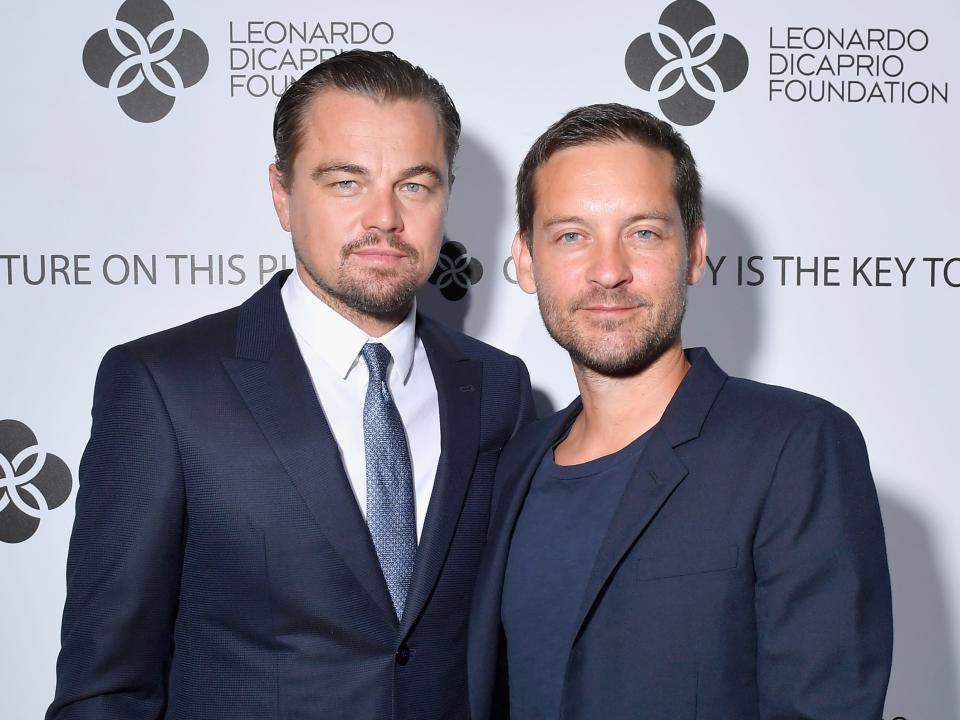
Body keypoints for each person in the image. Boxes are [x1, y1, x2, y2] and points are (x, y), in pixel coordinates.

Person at [48, 50, 534, 720]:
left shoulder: (499, 388)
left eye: (415, 186)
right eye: (345, 183)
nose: (385, 219)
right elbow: (105, 688)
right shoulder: (166, 387)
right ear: (282, 193)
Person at [467, 103, 892, 720]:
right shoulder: (514, 462)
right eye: (571, 236)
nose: (608, 272)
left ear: (694, 252)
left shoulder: (796, 448)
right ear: (527, 261)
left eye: (643, 232)